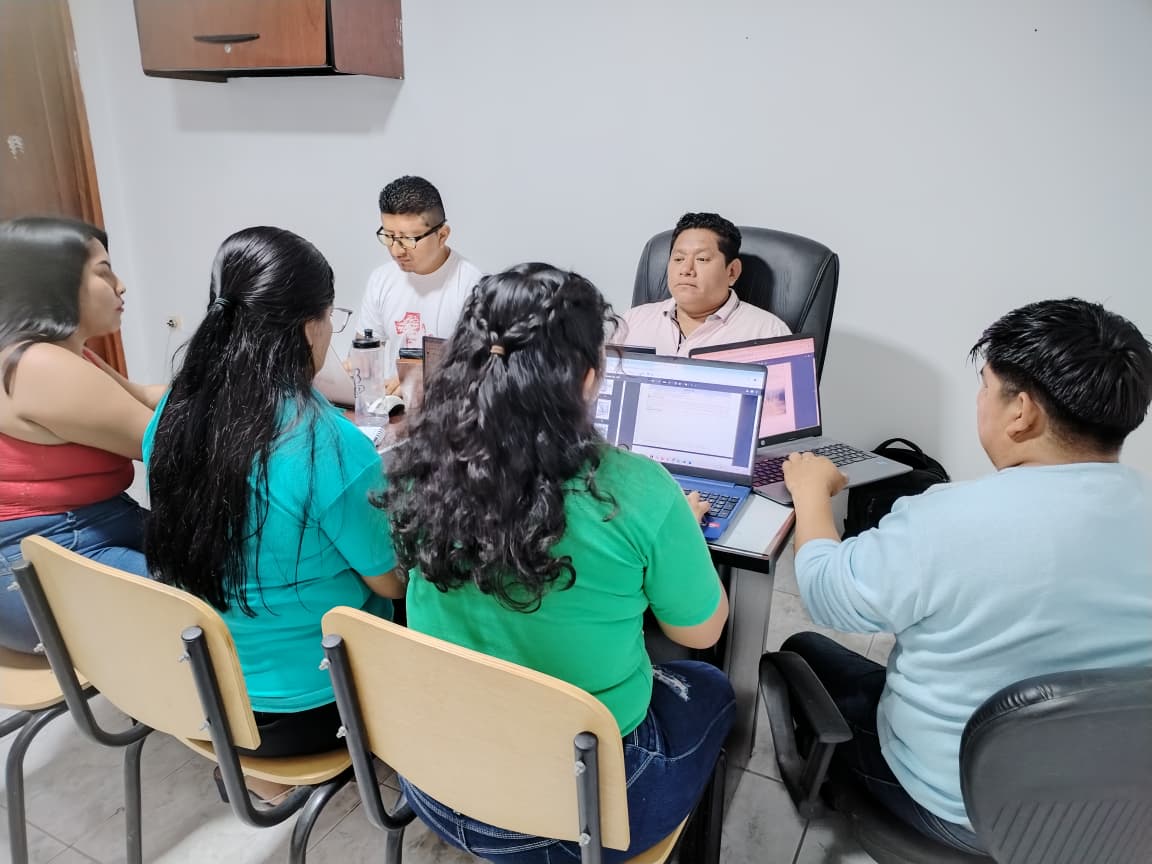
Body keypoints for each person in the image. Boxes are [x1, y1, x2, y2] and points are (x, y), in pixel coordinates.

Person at [384, 263, 734, 863]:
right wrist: (679, 529)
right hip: (578, 821)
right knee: (711, 687)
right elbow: (701, 632)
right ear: (588, 379)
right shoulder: (640, 492)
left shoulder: (416, 464)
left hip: (435, 782)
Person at [779, 298, 1152, 853]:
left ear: (1021, 411)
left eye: (985, 386)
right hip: (1109, 811)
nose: (980, 400)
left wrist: (810, 495)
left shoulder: (950, 518)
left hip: (952, 804)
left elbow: (827, 595)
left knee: (801, 650)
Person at [143, 227, 405, 782]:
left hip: (203, 687)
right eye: (332, 317)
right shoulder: (329, 445)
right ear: (310, 326)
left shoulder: (172, 413)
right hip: (309, 710)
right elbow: (392, 585)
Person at [0, 217, 158, 653]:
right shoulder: (40, 365)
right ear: (54, 281)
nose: (121, 286)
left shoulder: (62, 353)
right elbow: (165, 442)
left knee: (233, 563)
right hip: (45, 555)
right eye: (104, 273)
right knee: (221, 598)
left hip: (92, 526)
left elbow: (146, 397)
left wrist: (233, 384)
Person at [314, 175, 483, 404]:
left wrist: (427, 377)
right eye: (389, 237)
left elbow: (483, 368)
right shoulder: (382, 279)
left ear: (442, 235)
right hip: (392, 407)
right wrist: (352, 369)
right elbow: (365, 351)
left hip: (449, 410)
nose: (396, 251)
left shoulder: (474, 287)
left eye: (408, 239)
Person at [620, 212, 790, 355]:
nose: (686, 269)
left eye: (701, 259)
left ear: (732, 271)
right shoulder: (631, 323)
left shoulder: (768, 333)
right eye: (678, 259)